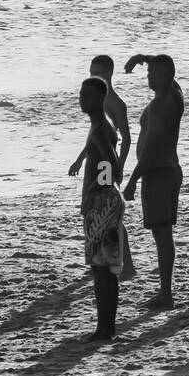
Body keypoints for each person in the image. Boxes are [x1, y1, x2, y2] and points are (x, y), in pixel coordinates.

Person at [122, 54, 184, 309]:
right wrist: (144, 58)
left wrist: (132, 180)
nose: (149, 77)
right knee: (164, 234)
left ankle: (165, 293)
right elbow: (173, 78)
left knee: (162, 235)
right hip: (170, 170)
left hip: (157, 172)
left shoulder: (160, 106)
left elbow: (151, 147)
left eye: (154, 74)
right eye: (149, 73)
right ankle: (165, 292)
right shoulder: (175, 97)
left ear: (166, 77)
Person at [69, 55, 136, 279]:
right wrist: (80, 159)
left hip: (108, 167)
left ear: (109, 74)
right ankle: (112, 262)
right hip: (99, 163)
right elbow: (95, 139)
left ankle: (121, 264)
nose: (92, 77)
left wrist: (119, 170)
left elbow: (125, 139)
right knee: (104, 216)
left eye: (97, 73)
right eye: (90, 73)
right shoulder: (97, 102)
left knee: (108, 216)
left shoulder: (115, 104)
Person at [78, 77, 125, 342]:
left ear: (99, 99)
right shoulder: (101, 127)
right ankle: (107, 327)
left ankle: (104, 328)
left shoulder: (99, 130)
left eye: (85, 95)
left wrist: (95, 188)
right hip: (105, 201)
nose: (81, 99)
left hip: (103, 203)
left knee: (101, 269)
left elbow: (112, 166)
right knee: (105, 268)